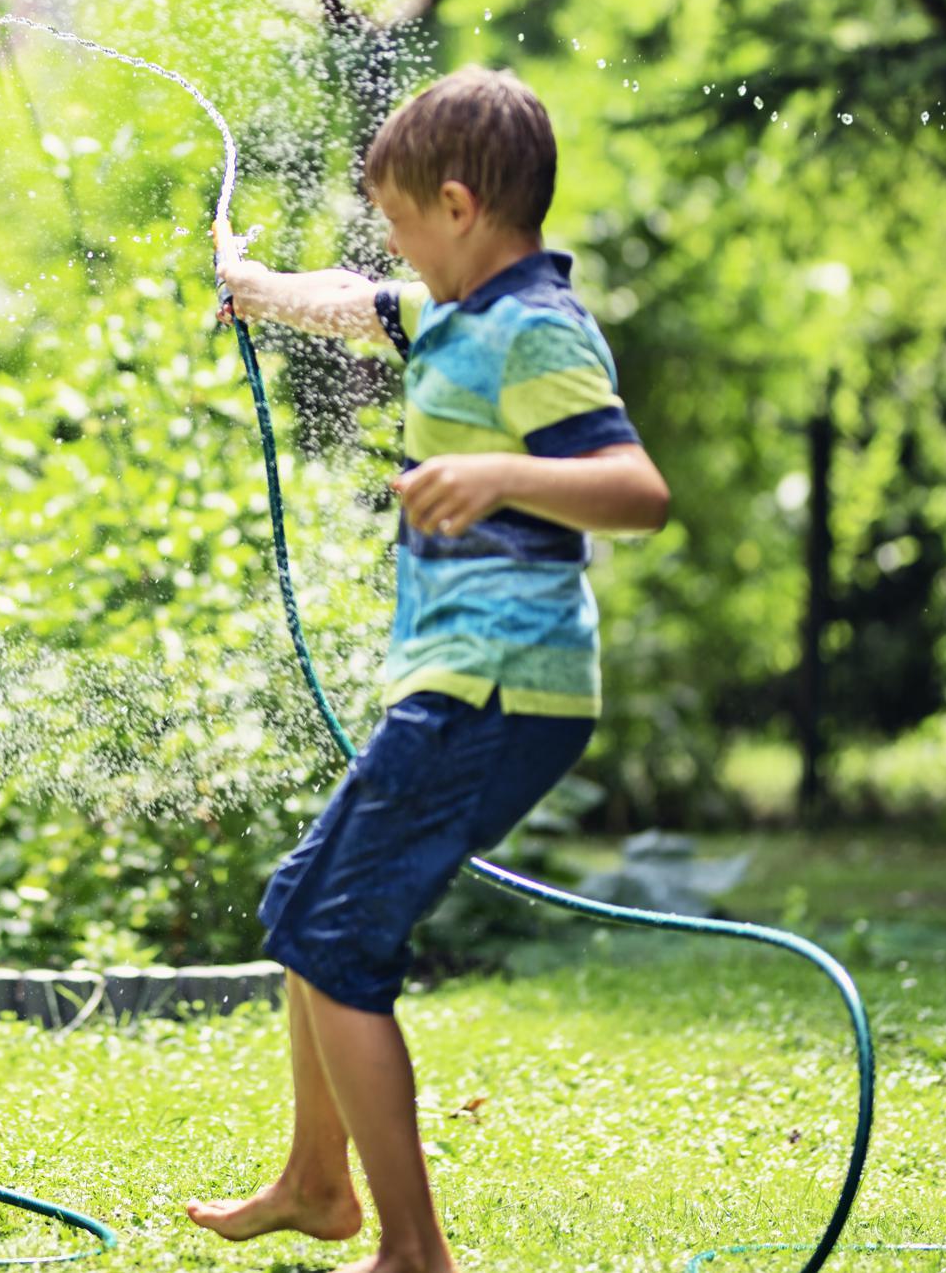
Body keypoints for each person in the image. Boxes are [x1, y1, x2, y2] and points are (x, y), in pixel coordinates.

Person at [192, 66, 670, 1273]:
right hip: (458, 681)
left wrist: (504, 474)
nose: (393, 244)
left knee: (334, 937)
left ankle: (413, 1251)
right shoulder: (453, 311)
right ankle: (315, 1181)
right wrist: (251, 285)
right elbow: (360, 302)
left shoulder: (536, 329)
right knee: (308, 903)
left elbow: (637, 490)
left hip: (500, 686)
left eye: (403, 219)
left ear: (459, 207)